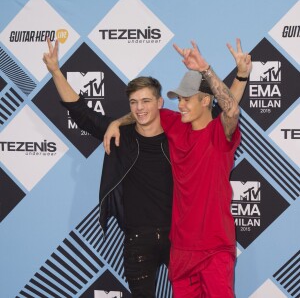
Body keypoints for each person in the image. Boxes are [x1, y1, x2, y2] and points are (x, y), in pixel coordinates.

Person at [103, 39, 252, 297]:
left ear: (206, 101)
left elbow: (231, 109)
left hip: (214, 248)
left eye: (186, 99)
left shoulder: (220, 134)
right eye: (178, 99)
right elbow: (145, 112)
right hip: (180, 251)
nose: (180, 105)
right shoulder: (175, 126)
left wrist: (207, 69)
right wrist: (116, 122)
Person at [42, 38, 173, 298]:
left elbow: (215, 118)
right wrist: (56, 71)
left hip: (179, 237)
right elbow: (81, 113)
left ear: (160, 103)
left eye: (146, 101)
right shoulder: (120, 135)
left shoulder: (178, 136)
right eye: (134, 102)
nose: (139, 108)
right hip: (137, 240)